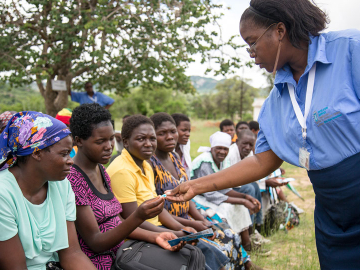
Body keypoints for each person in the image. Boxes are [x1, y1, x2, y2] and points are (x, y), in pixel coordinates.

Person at [166, 0, 360, 268]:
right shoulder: (275, 102)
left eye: (253, 41)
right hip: (332, 211)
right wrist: (196, 185)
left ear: (279, 30)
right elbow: (262, 160)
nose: (251, 52)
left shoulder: (350, 49)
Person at [67, 104, 182, 269]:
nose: (109, 146)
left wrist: (155, 237)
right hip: (104, 261)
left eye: (111, 138)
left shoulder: (100, 169)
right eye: (100, 141)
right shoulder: (73, 180)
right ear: (78, 141)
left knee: (186, 257)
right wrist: (138, 216)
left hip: (126, 249)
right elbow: (96, 242)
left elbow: (117, 221)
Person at [107, 115, 229, 270]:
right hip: (139, 237)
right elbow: (133, 221)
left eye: (152, 139)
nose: (148, 144)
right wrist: (175, 233)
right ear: (125, 142)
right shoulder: (123, 171)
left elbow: (158, 209)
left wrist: (181, 229)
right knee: (196, 254)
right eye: (141, 139)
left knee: (209, 247)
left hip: (158, 229)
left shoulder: (144, 164)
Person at [150, 112, 264, 270]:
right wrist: (194, 223)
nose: (170, 137)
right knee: (217, 241)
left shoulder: (175, 158)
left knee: (226, 231)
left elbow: (186, 195)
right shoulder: (151, 164)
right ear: (152, 136)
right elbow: (158, 208)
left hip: (188, 216)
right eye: (162, 133)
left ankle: (245, 263)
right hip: (171, 222)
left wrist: (200, 220)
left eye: (172, 132)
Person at [0, 111, 97, 270]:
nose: (71, 161)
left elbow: (72, 254)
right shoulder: (3, 194)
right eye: (64, 154)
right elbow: (16, 266)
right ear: (37, 153)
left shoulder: (62, 185)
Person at [192, 131, 264, 254]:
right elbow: (211, 194)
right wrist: (243, 201)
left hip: (212, 196)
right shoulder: (205, 162)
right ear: (212, 148)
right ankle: (233, 248)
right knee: (226, 210)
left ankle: (246, 245)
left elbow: (224, 187)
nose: (222, 152)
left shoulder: (223, 161)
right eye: (218, 148)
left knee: (239, 207)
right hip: (198, 199)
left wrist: (245, 197)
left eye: (225, 149)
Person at [172, 113, 192, 178]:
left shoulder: (185, 146)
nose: (188, 134)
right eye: (184, 130)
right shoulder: (165, 150)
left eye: (189, 131)